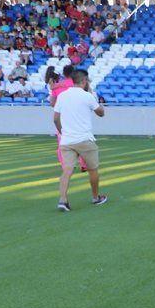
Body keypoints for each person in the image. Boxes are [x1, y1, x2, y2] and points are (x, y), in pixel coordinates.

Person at [53, 69, 106, 212]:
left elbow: (56, 119)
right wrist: (98, 103)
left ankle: (63, 200)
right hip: (84, 139)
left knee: (67, 170)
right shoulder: (87, 96)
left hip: (67, 140)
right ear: (83, 81)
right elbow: (101, 113)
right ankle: (96, 197)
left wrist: (62, 132)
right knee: (93, 170)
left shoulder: (62, 96)